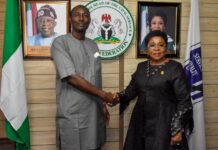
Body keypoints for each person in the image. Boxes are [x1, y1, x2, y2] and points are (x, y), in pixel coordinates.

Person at [113, 31, 193, 150]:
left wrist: (177, 130)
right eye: (152, 45)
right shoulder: (142, 67)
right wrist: (117, 96)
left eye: (161, 45)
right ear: (147, 49)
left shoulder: (175, 68)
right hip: (140, 122)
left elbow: (184, 101)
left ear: (166, 48)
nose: (157, 49)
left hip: (165, 123)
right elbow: (131, 90)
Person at [51, 5, 114, 150]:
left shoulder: (93, 45)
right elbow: (71, 77)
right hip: (73, 113)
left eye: (85, 15)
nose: (81, 18)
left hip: (94, 111)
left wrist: (102, 104)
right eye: (77, 15)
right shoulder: (60, 43)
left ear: (89, 20)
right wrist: (104, 95)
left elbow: (95, 76)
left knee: (95, 145)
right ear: (70, 19)